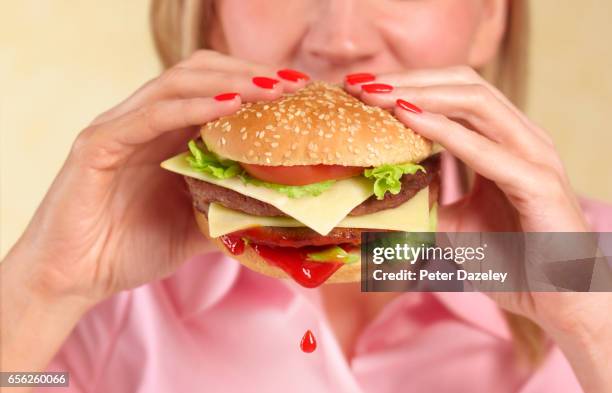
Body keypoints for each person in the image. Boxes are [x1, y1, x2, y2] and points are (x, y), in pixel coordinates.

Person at [2, 0, 611, 392]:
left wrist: (588, 321)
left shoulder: (593, 264)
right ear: (213, 15)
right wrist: (43, 290)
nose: (340, 40)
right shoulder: (106, 303)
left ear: (492, 16)